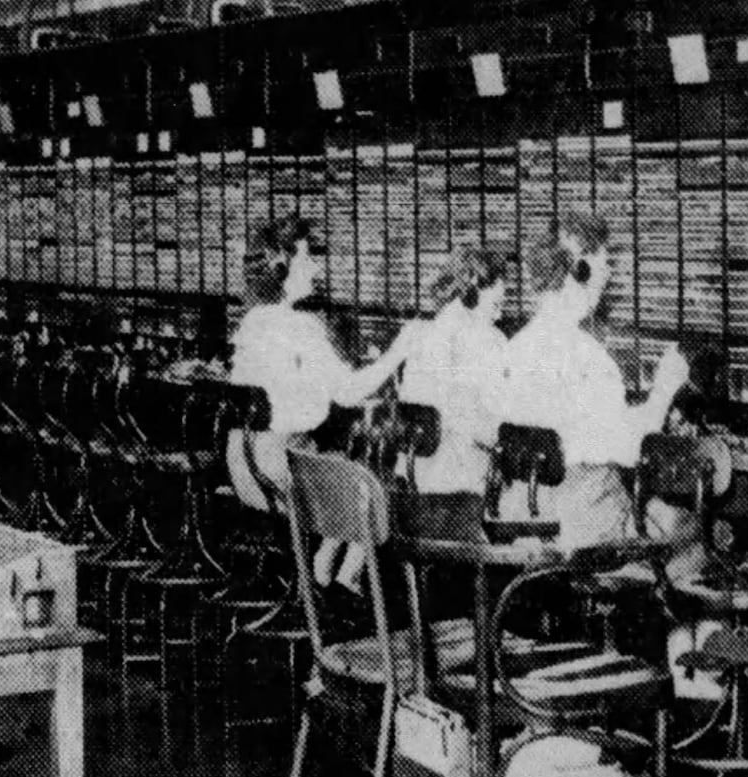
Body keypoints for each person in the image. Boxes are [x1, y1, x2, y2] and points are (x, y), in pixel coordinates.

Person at [493, 210, 697, 567]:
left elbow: (575, 431)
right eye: (605, 261)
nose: (610, 273)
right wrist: (665, 387)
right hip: (587, 528)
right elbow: (631, 450)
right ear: (580, 268)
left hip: (526, 523)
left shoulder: (514, 349)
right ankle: (680, 624)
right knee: (696, 532)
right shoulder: (586, 355)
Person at [230, 214, 416, 588]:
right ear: (281, 267)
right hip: (282, 467)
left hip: (243, 462)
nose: (316, 267)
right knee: (378, 479)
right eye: (308, 258)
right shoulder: (301, 326)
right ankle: (338, 577)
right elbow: (348, 391)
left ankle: (326, 570)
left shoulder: (251, 321)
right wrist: (400, 350)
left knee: (341, 462)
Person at [393, 244, 511, 538]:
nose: (499, 316)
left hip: (411, 482)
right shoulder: (486, 339)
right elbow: (490, 429)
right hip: (458, 491)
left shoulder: (424, 332)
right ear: (472, 288)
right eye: (495, 306)